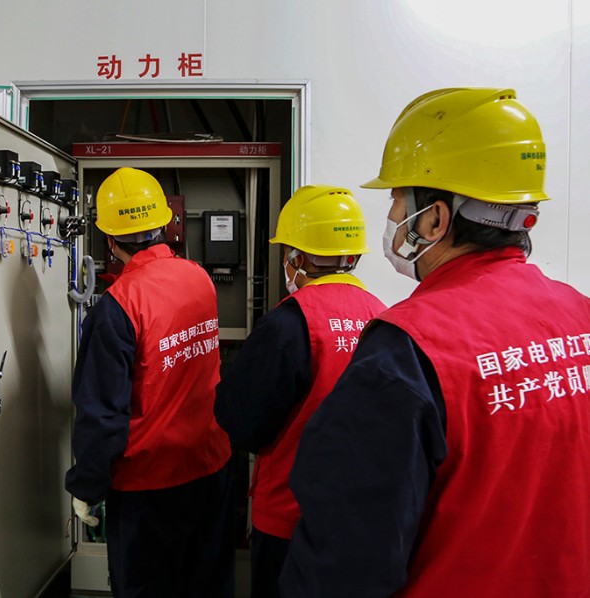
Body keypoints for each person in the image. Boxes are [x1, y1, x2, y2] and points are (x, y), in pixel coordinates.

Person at [280, 88, 590, 596]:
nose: (391, 213)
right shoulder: (581, 316)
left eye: (397, 199)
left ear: (435, 219)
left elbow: (345, 561)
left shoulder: (405, 351)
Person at [65, 167, 234, 597]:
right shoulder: (199, 277)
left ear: (109, 238)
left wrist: (87, 485)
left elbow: (102, 413)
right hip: (211, 467)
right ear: (163, 224)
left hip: (149, 486)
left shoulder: (118, 305)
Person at [214, 185, 386, 598]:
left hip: (290, 518)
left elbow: (243, 422)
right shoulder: (383, 317)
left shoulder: (289, 324)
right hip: (358, 516)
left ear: (298, 258)